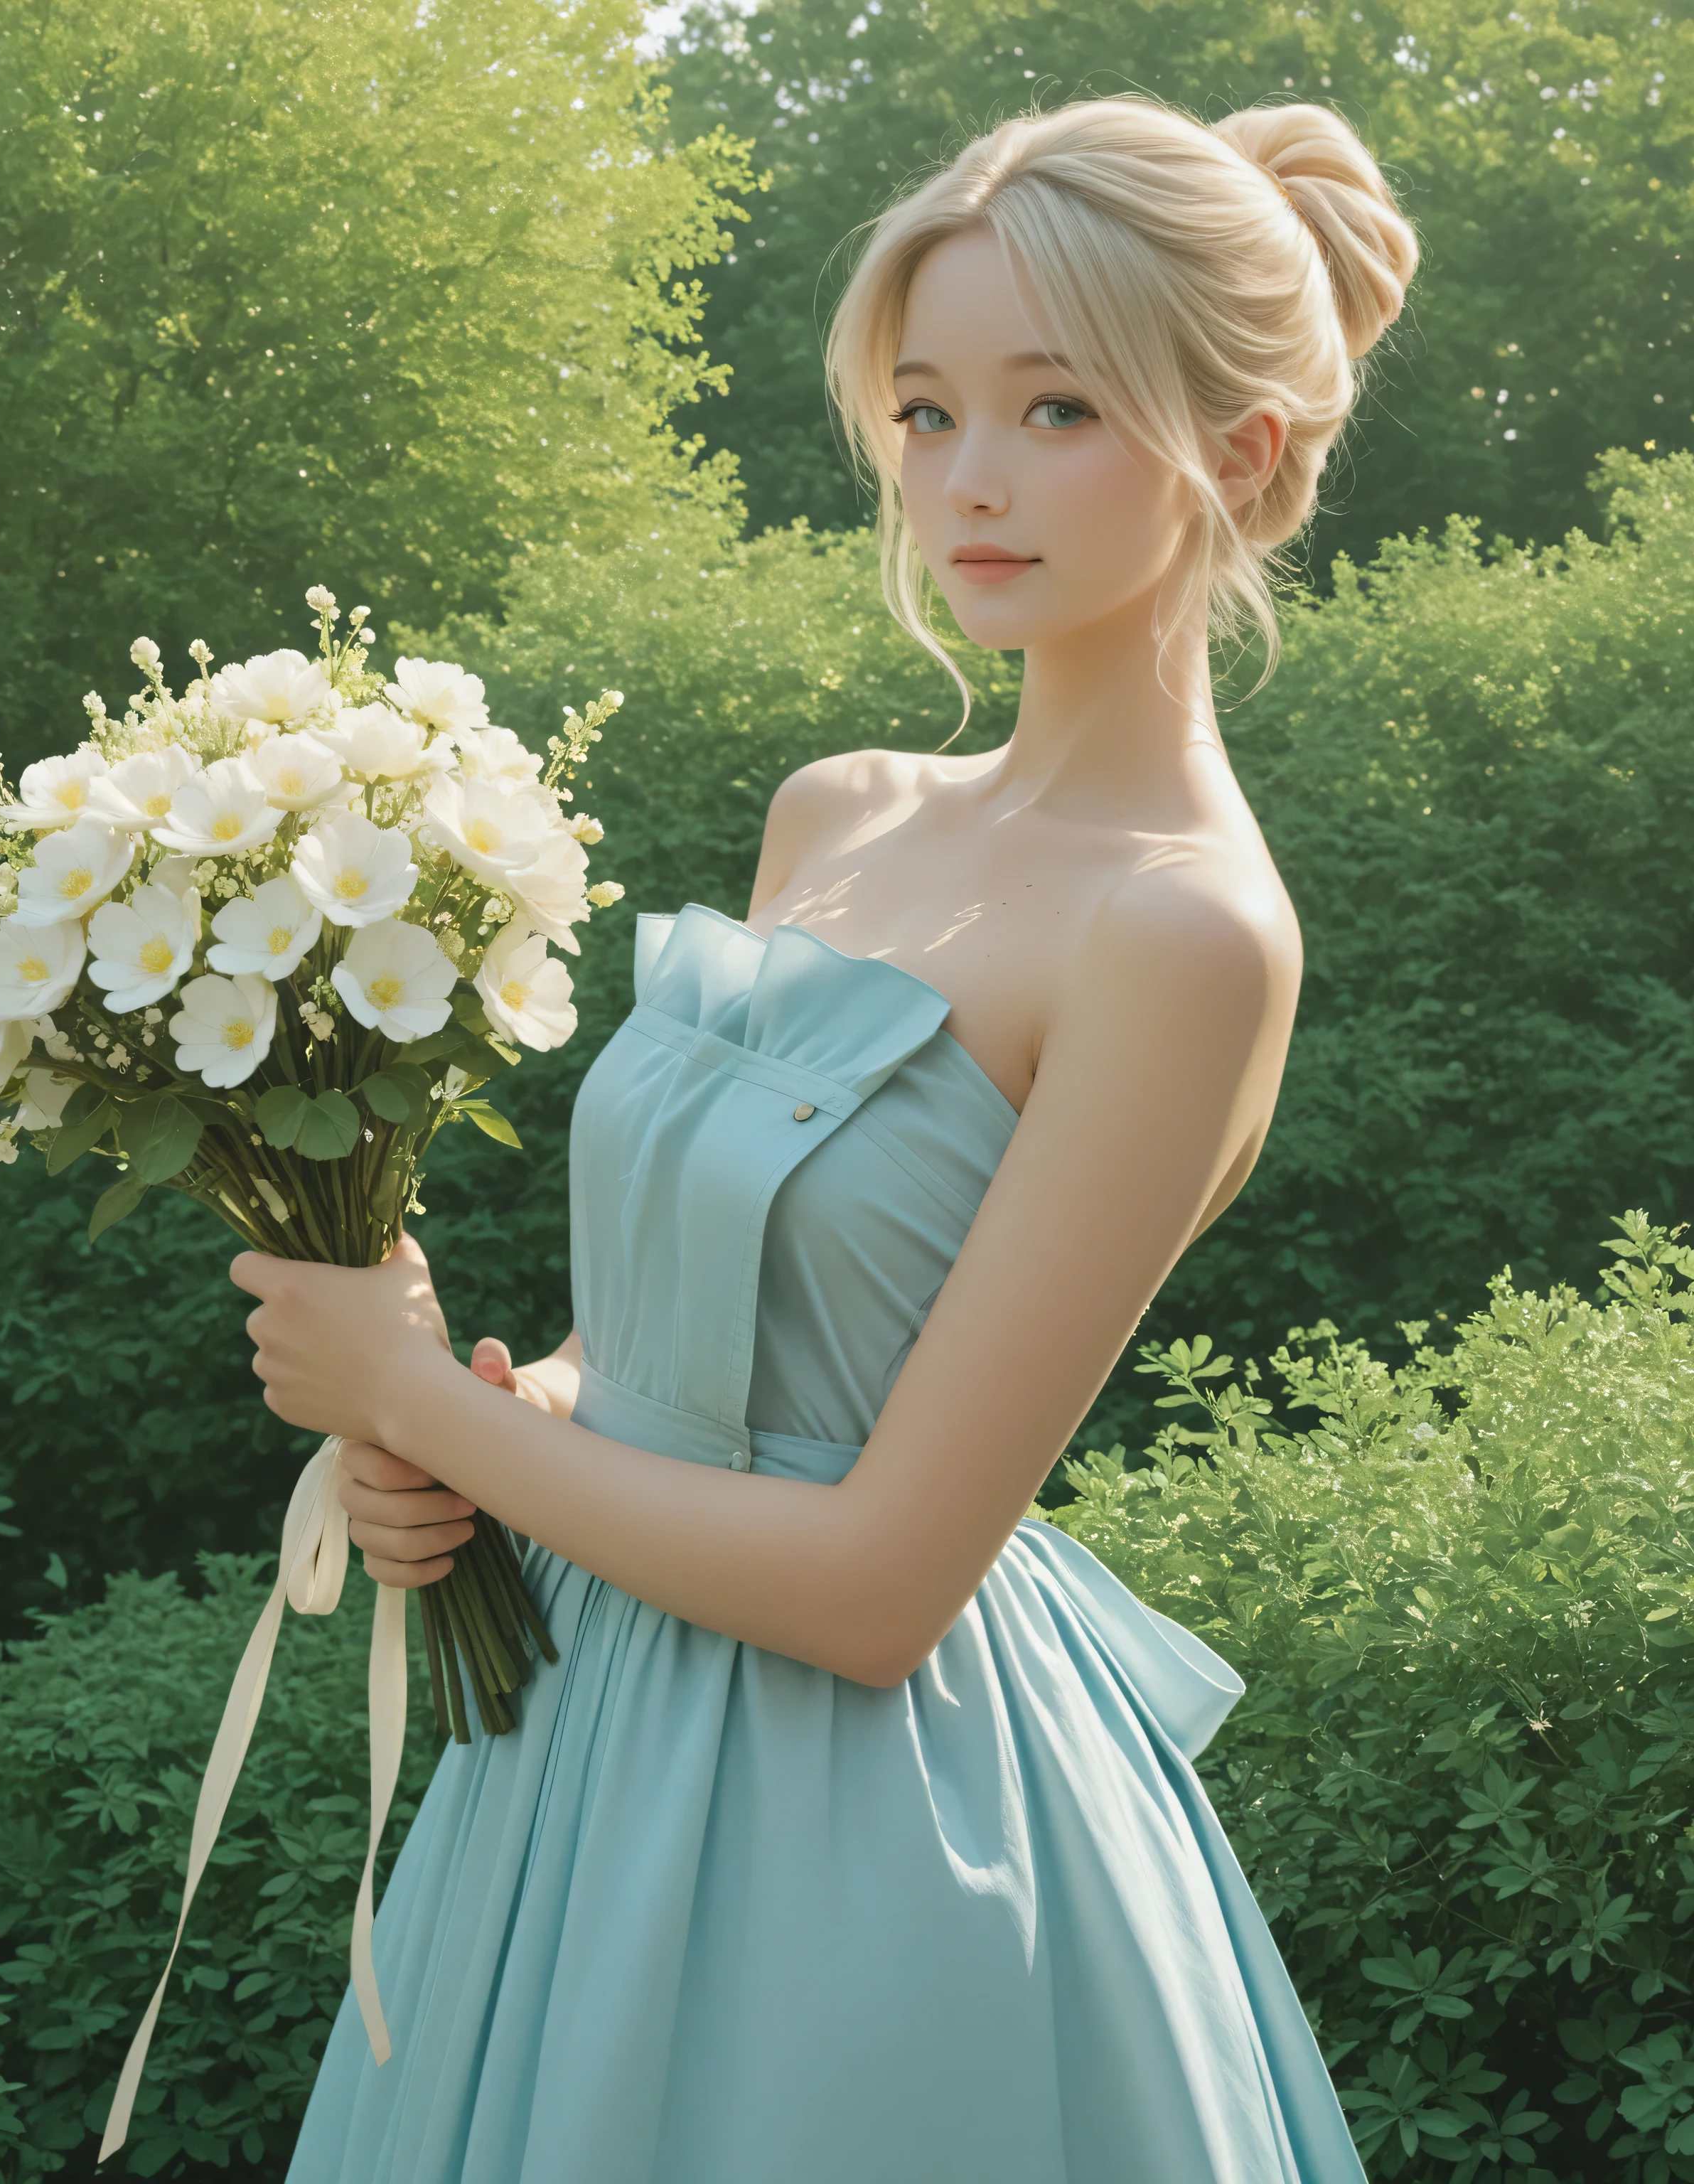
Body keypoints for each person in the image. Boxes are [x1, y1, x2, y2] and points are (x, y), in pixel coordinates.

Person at [236, 92, 1415, 2184]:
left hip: (866, 1834)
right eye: (929, 409)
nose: (967, 481)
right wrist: (479, 1437)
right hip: (576, 1760)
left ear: (1236, 454)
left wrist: (419, 1390)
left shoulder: (1189, 936)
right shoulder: (839, 810)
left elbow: (882, 1582)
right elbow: (695, 1343)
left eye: (1057, 411)